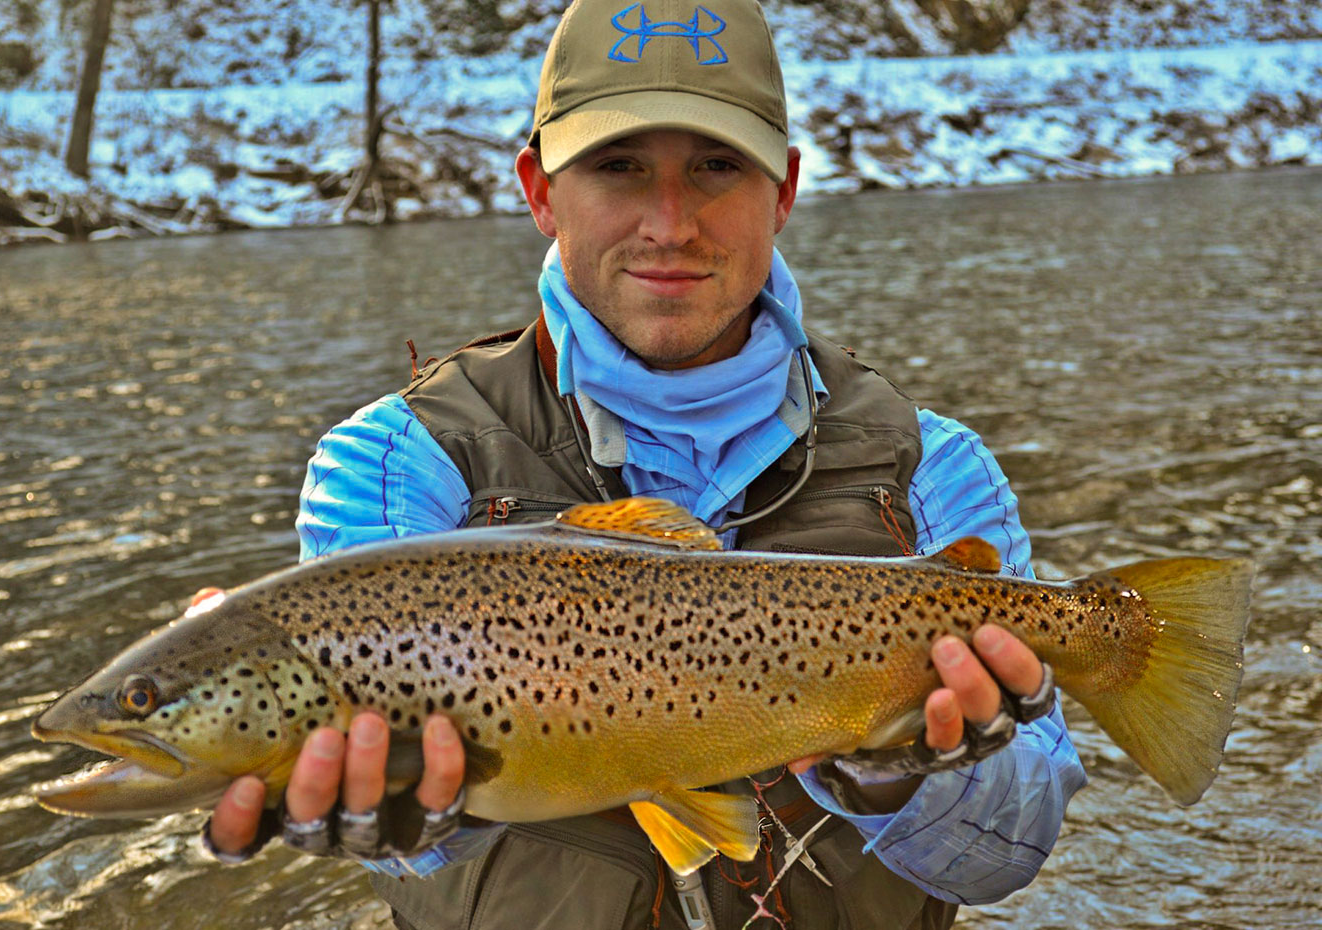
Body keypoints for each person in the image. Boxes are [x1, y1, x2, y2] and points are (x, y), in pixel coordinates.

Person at [206, 0, 1086, 926]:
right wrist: (389, 809)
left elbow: (1008, 856)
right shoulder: (398, 460)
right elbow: (412, 854)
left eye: (716, 167)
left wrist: (894, 771)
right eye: (618, 167)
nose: (670, 223)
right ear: (540, 190)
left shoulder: (932, 469)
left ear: (783, 190)